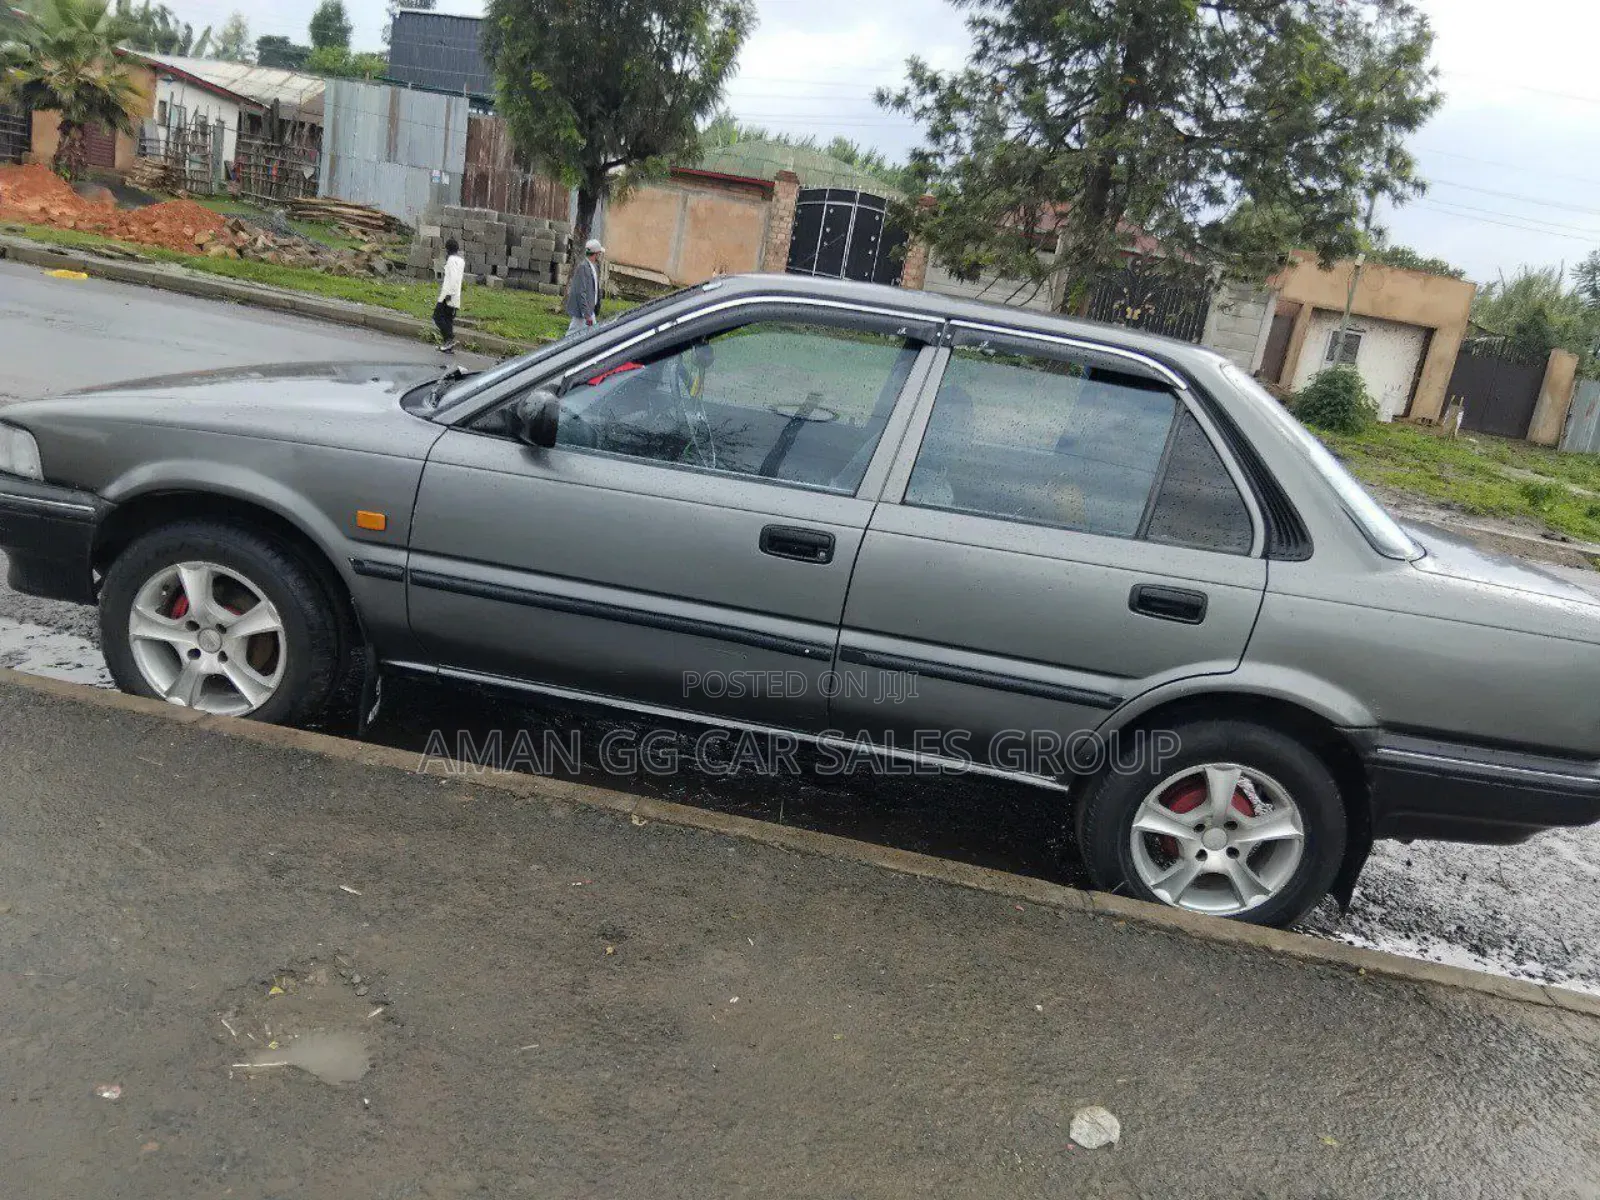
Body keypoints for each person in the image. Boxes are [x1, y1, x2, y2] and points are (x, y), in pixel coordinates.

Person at [564, 238, 605, 336]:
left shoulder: (594, 267)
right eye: (599, 253)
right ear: (596, 253)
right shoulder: (583, 267)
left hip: (590, 310)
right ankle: (560, 350)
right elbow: (580, 292)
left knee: (592, 335)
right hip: (583, 311)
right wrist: (586, 314)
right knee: (571, 335)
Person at [433, 238, 465, 353]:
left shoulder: (451, 260)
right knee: (448, 319)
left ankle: (449, 339)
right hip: (454, 296)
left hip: (448, 295)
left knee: (437, 317)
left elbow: (454, 279)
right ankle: (448, 345)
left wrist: (448, 295)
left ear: (447, 250)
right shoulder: (461, 261)